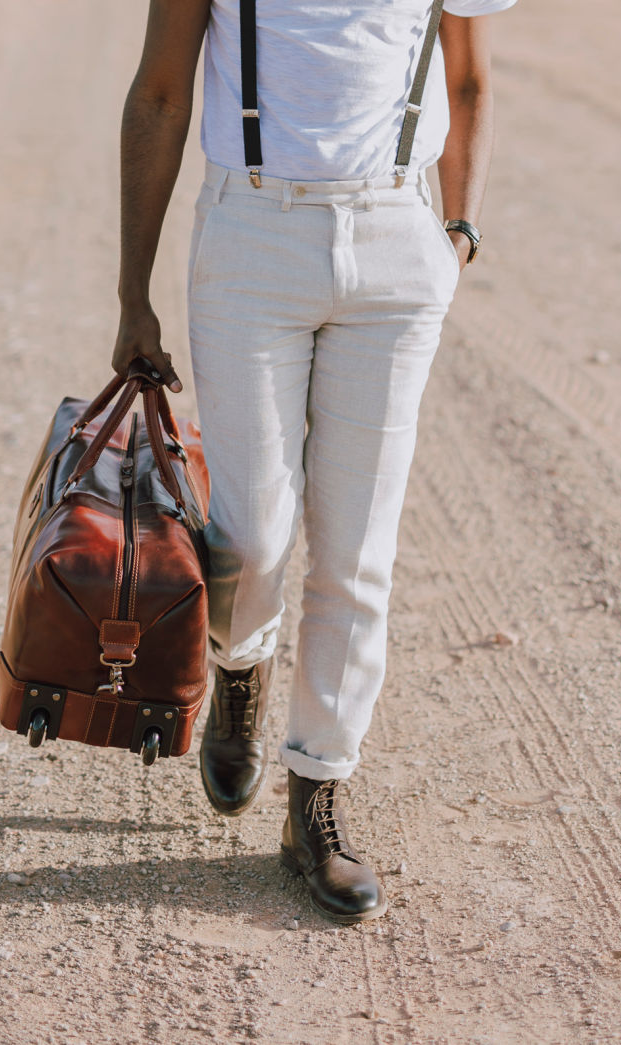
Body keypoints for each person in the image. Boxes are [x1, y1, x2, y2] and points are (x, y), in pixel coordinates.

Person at [111, 0, 514, 924]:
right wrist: (132, 292)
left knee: (356, 555)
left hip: (398, 245)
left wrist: (457, 237)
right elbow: (162, 94)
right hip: (253, 235)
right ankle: (240, 669)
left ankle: (316, 803)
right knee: (249, 537)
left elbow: (469, 78)